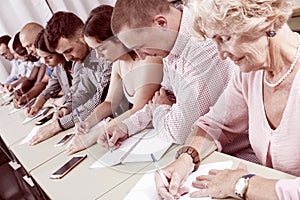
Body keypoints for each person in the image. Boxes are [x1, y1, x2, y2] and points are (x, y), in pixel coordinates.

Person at [155, 0, 300, 199]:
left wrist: (243, 184)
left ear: (265, 22)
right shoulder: (250, 74)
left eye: (224, 38)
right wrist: (186, 159)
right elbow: (216, 124)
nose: (221, 54)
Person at [99, 0, 257, 163]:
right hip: (211, 152)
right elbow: (164, 98)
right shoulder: (170, 43)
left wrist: (160, 110)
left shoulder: (200, 46)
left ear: (161, 23)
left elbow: (180, 132)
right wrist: (126, 126)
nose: (142, 56)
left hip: (242, 156)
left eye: (141, 46)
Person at [65, 5, 163, 155]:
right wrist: (88, 123)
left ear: (118, 39)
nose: (98, 57)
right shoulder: (118, 62)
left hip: (156, 130)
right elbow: (110, 102)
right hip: (140, 130)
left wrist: (94, 135)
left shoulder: (149, 58)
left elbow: (138, 108)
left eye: (101, 49)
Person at [28, 11, 111, 145]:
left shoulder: (105, 55)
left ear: (81, 37)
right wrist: (66, 108)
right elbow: (80, 93)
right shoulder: (80, 61)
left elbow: (100, 99)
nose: (67, 58)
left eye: (68, 51)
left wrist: (58, 125)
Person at [27, 29, 73, 117]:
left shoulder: (76, 64)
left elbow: (78, 95)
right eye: (42, 58)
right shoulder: (58, 68)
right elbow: (49, 89)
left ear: (59, 52)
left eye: (49, 57)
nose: (45, 62)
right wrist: (36, 105)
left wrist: (55, 102)